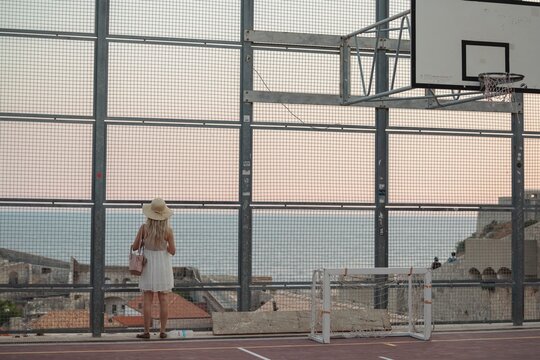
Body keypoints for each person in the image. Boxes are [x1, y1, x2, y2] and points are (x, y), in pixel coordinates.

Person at [132, 197, 176, 339]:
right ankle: (163, 331)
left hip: (148, 265)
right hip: (163, 265)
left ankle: (146, 332)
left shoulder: (144, 228)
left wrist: (145, 242)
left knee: (147, 299)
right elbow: (173, 251)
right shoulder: (168, 231)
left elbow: (135, 247)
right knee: (163, 299)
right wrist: (164, 246)